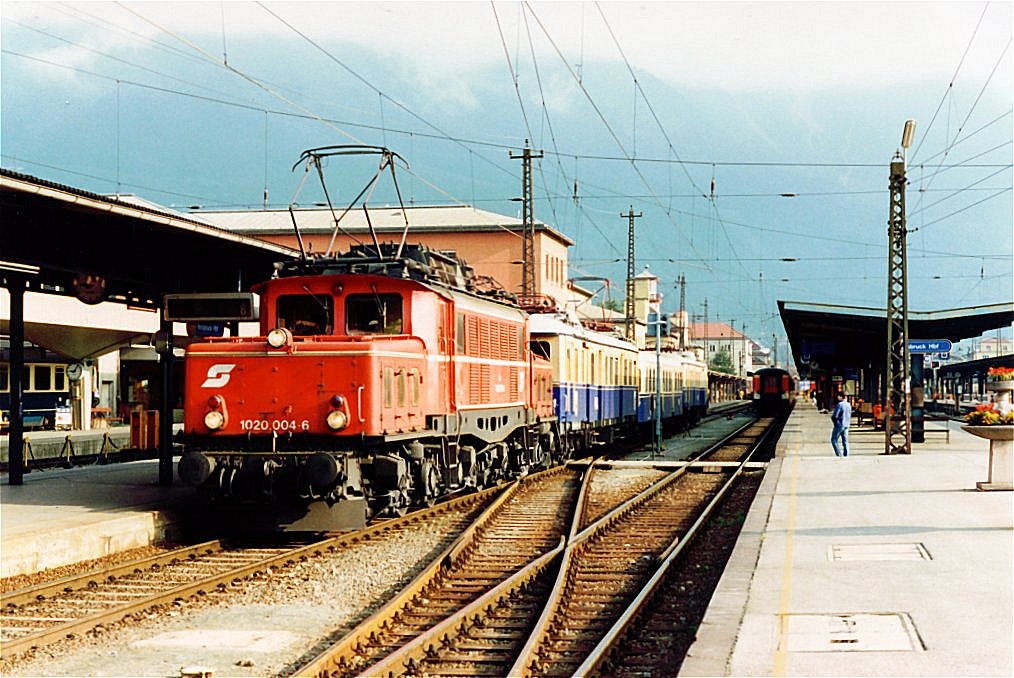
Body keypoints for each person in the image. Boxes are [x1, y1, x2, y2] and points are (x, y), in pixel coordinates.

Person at [830, 391, 852, 457]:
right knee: (845, 440)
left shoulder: (840, 405)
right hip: (846, 425)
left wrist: (835, 423)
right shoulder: (848, 405)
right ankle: (846, 454)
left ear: (840, 397)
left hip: (839, 424)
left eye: (838, 396)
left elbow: (835, 416)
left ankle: (839, 453)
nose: (837, 397)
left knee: (834, 439)